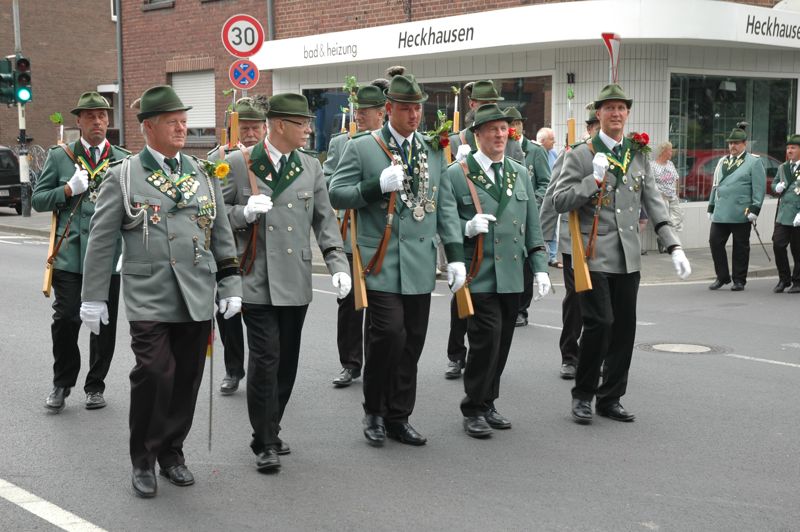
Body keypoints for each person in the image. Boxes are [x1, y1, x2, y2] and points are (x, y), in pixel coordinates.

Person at [80, 85, 243, 498]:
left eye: (185, 121)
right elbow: (101, 239)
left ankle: (172, 454)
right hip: (148, 292)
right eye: (173, 122)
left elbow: (221, 233)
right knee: (154, 372)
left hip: (196, 290)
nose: (182, 128)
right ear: (149, 127)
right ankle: (143, 459)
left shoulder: (203, 172)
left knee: (187, 377)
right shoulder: (123, 175)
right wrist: (94, 295)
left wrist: (230, 283)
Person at [329, 71, 465, 447]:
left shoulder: (434, 148)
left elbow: (445, 205)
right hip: (381, 259)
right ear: (389, 109)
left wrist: (455, 256)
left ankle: (399, 416)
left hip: (420, 261)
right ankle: (374, 410)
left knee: (412, 342)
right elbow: (336, 192)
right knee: (388, 334)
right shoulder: (363, 147)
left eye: (417, 108)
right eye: (406, 108)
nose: (414, 115)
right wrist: (375, 187)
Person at [223, 92, 350, 472]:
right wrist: (243, 212)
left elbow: (325, 220)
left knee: (286, 363)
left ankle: (272, 426)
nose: (309, 130)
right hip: (256, 277)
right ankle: (263, 441)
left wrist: (338, 263)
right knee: (265, 359)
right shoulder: (239, 162)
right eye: (303, 123)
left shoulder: (310, 166)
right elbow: (214, 215)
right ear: (279, 125)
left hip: (295, 277)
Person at [553, 83, 691, 425]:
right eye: (609, 108)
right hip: (591, 253)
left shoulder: (638, 153)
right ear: (598, 114)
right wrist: (592, 180)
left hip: (628, 255)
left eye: (621, 108)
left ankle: (611, 398)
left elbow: (653, 201)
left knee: (624, 329)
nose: (616, 113)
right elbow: (559, 200)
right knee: (600, 324)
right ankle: (583, 395)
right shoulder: (581, 154)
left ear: (627, 113)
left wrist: (673, 244)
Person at [443, 103, 551, 438]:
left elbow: (532, 225)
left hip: (513, 274)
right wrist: (466, 228)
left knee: (502, 342)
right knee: (485, 341)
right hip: (479, 272)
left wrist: (541, 267)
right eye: (492, 129)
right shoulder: (457, 174)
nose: (500, 135)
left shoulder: (519, 172)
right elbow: (444, 221)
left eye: (504, 129)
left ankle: (488, 401)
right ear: (477, 134)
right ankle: (473, 407)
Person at [32, 92, 129, 412]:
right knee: (66, 318)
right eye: (90, 116)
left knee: (103, 323)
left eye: (102, 116)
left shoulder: (122, 159)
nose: (97, 121)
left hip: (108, 256)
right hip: (70, 253)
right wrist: (67, 189)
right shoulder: (61, 157)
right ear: (79, 121)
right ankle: (62, 383)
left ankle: (95, 385)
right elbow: (38, 200)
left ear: (108, 120)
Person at [443, 79, 512, 380]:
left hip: (499, 235)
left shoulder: (508, 138)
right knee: (461, 299)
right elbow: (442, 186)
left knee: (494, 316)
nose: (489, 109)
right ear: (472, 105)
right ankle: (456, 353)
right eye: (484, 104)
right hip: (466, 236)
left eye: (493, 104)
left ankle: (485, 364)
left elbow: (519, 177)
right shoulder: (455, 140)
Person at [323, 82, 386, 388]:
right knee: (348, 302)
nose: (359, 116)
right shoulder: (341, 142)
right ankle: (350, 363)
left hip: (381, 234)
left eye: (366, 111)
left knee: (379, 303)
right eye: (357, 111)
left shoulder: (390, 144)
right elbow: (327, 182)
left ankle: (376, 361)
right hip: (350, 230)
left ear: (382, 113)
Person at [208, 98, 268, 396]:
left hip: (260, 252)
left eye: (256, 128)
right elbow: (213, 210)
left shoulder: (270, 159)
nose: (251, 134)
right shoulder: (218, 159)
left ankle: (263, 371)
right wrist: (243, 213)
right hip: (228, 252)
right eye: (245, 128)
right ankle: (233, 369)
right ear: (234, 128)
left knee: (261, 317)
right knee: (228, 312)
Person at [539, 103, 600, 380]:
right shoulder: (572, 153)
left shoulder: (621, 154)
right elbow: (553, 196)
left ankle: (595, 355)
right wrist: (543, 239)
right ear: (590, 128)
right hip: (574, 238)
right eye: (596, 127)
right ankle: (570, 355)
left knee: (601, 305)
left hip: (605, 242)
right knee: (576, 300)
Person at [506, 107, 552, 327]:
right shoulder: (502, 147)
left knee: (526, 263)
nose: (513, 127)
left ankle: (521, 310)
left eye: (517, 123)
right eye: (510, 124)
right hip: (506, 214)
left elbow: (545, 182)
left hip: (527, 213)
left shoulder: (534, 150)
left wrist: (534, 202)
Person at [707, 124, 766, 292]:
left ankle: (739, 280)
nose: (733, 146)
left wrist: (755, 209)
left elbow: (759, 188)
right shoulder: (722, 161)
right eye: (731, 143)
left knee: (740, 247)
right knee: (715, 242)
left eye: (736, 143)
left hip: (741, 211)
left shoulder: (753, 162)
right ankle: (722, 276)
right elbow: (716, 185)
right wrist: (711, 206)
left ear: (744, 144)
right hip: (721, 211)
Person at [771, 134, 800, 293]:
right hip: (783, 215)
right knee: (778, 244)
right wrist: (777, 187)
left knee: (798, 249)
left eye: (793, 148)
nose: (789, 151)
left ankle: (798, 281)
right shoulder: (783, 167)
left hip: (798, 215)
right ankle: (784, 279)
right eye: (788, 148)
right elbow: (774, 183)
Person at [537, 127, 562, 270]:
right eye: (551, 139)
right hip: (540, 196)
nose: (554, 141)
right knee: (539, 227)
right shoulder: (536, 152)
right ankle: (540, 257)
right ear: (542, 141)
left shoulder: (553, 153)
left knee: (553, 227)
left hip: (552, 195)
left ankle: (552, 257)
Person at [651, 141, 683, 240]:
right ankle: (664, 240)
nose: (671, 153)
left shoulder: (670, 164)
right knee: (664, 220)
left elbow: (676, 178)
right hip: (661, 198)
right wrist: (658, 195)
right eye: (670, 151)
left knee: (677, 219)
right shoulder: (652, 165)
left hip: (673, 197)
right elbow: (650, 183)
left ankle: (668, 240)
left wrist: (677, 194)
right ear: (663, 151)